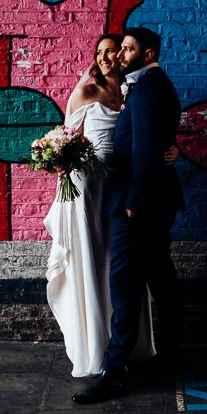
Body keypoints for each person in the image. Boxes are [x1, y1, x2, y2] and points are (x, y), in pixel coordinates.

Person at [72, 27, 185, 405]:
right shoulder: (145, 85)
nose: (121, 53)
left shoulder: (149, 86)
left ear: (147, 53)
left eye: (128, 48)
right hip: (151, 201)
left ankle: (115, 370)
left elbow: (147, 148)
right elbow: (154, 139)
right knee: (160, 277)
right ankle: (172, 355)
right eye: (119, 47)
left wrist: (133, 199)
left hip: (137, 203)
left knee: (123, 283)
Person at [43, 34, 156, 377]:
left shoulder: (131, 93)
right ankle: (94, 347)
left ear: (123, 57)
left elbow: (150, 134)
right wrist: (58, 160)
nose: (106, 57)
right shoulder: (86, 92)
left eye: (112, 51)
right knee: (91, 258)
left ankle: (125, 345)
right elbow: (66, 138)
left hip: (119, 184)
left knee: (117, 259)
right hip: (87, 185)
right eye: (100, 52)